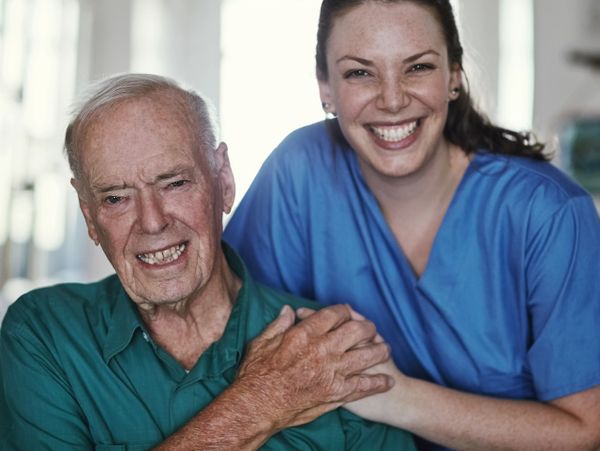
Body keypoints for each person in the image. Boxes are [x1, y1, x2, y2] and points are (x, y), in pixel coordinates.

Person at [223, 1, 600, 450]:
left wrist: (393, 396)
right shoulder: (300, 171)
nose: (393, 99)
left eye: (417, 67)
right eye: (360, 73)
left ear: (454, 76)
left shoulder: (548, 212)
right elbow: (228, 341)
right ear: (326, 87)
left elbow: (585, 432)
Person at [0, 73, 417, 450]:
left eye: (175, 183)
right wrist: (260, 402)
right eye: (115, 198)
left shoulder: (330, 349)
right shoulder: (44, 334)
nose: (152, 221)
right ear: (90, 217)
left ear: (224, 181)